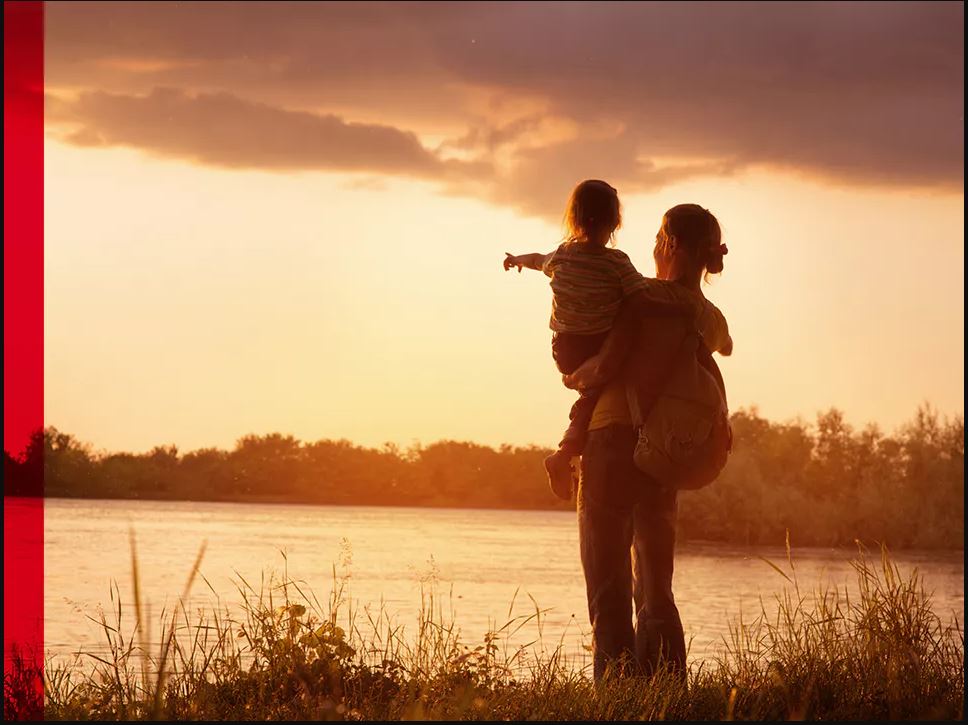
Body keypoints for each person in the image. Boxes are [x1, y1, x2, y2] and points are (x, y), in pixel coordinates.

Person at [563, 203, 732, 681]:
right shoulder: (709, 316)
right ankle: (666, 696)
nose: (655, 246)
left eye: (660, 237)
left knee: (607, 583)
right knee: (656, 585)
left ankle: (617, 698)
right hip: (662, 451)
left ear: (671, 245)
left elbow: (605, 367)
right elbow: (717, 355)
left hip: (612, 442)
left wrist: (576, 377)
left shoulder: (638, 297)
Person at [503, 181, 698, 500]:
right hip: (599, 344)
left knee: (589, 395)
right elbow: (643, 299)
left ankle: (567, 452)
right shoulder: (615, 262)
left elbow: (539, 258)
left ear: (574, 219)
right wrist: (680, 307)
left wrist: (517, 260)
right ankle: (565, 453)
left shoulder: (562, 256)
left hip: (564, 348)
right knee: (598, 391)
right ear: (615, 222)